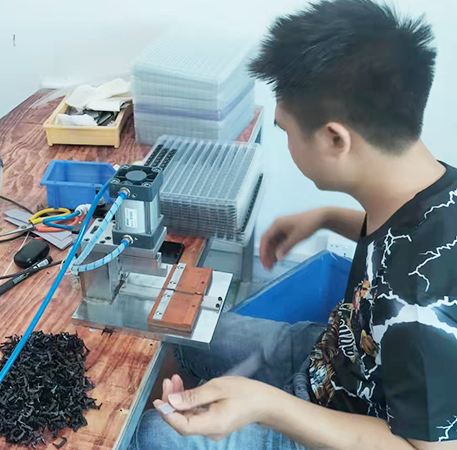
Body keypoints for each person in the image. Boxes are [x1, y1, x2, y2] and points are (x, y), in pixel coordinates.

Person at [130, 0, 457, 449]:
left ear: (335, 139)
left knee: (153, 435)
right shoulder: (431, 188)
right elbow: (395, 239)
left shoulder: (419, 308)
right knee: (186, 331)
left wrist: (268, 407)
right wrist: (326, 218)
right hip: (329, 359)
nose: (285, 139)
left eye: (285, 130)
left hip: (350, 429)